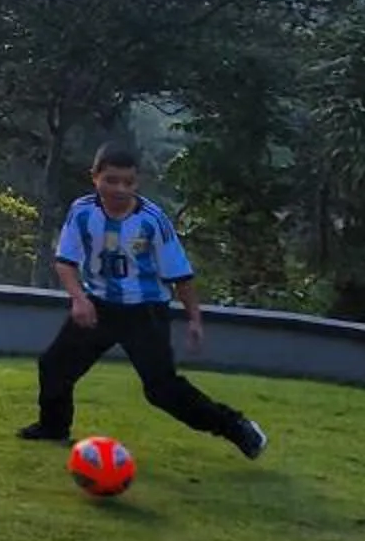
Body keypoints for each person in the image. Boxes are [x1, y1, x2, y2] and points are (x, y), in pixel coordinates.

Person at [19, 142, 267, 460]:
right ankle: (53, 427)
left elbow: (181, 275)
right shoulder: (82, 211)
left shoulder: (152, 220)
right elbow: (65, 260)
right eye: (111, 180)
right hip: (99, 307)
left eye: (128, 182)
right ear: (94, 177)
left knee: (162, 390)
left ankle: (239, 428)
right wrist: (79, 299)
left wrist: (194, 320)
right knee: (54, 366)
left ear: (137, 183)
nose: (119, 189)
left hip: (145, 313)